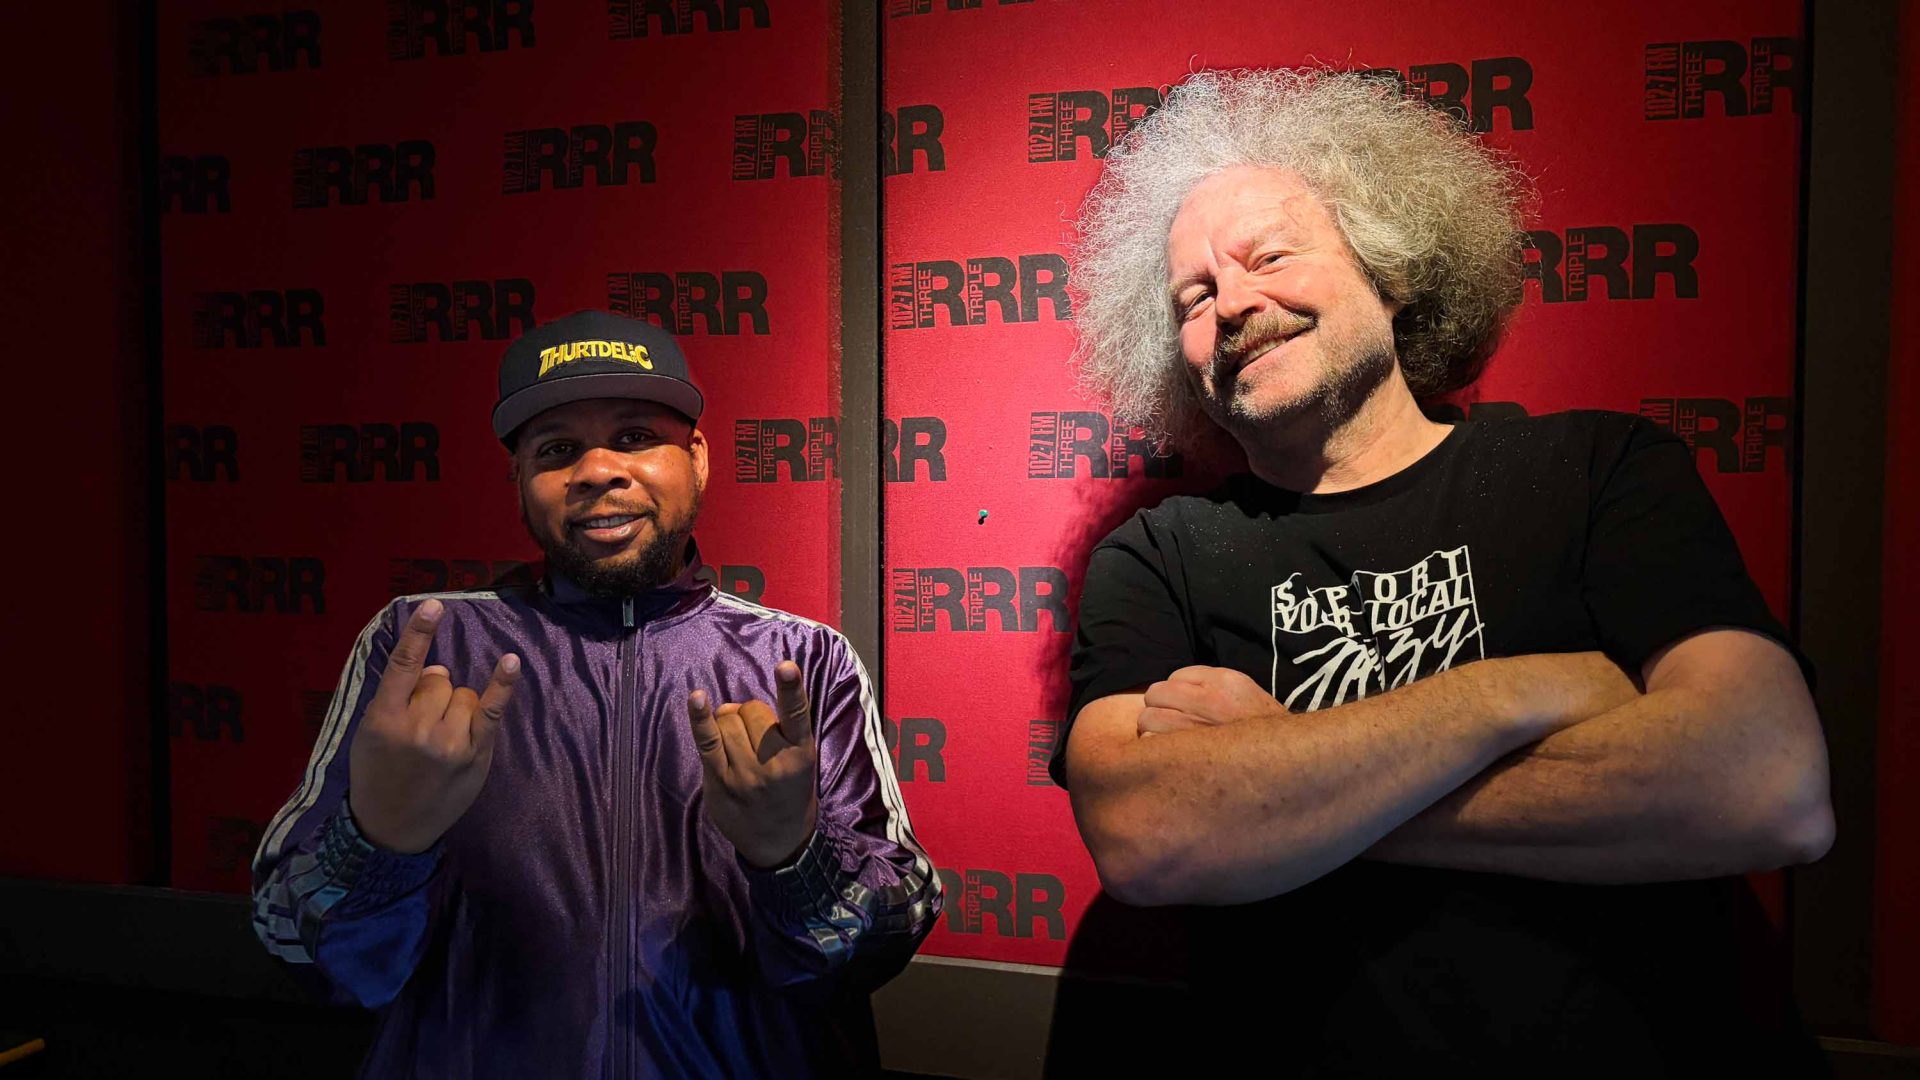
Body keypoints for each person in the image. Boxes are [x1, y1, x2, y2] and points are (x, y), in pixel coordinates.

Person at [1056, 68, 1833, 1072]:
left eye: (1271, 257)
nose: (1236, 303)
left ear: (1392, 271)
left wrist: (1285, 779)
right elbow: (1146, 830)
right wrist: (1534, 686)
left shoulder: (1598, 471)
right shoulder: (1159, 558)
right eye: (1194, 297)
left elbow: (1766, 784)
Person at [251, 310, 940, 1078]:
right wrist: (375, 840)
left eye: (637, 437)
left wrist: (794, 859)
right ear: (518, 481)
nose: (597, 470)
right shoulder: (424, 647)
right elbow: (291, 941)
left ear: (699, 459)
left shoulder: (802, 661)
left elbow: (888, 939)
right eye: (558, 449)